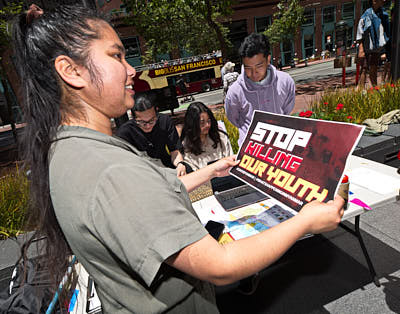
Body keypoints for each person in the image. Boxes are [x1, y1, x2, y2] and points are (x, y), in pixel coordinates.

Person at [13, 4, 344, 313]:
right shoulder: (111, 170)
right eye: (116, 56)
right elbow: (222, 265)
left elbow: (152, 192)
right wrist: (305, 221)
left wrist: (213, 168)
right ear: (71, 70)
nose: (131, 70)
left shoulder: (69, 149)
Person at [225, 33, 295, 147]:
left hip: (280, 145)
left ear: (268, 59)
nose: (254, 73)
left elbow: (287, 110)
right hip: (250, 149)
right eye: (248, 68)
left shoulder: (285, 81)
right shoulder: (235, 91)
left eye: (258, 66)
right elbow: (234, 118)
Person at [116, 94, 187, 176]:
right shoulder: (125, 132)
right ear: (133, 117)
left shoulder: (165, 121)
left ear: (156, 112)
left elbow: (175, 151)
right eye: (142, 122)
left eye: (152, 120)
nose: (148, 126)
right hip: (142, 172)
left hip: (166, 166)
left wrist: (180, 164)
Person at [181, 102, 233, 172]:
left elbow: (230, 159)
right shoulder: (186, 146)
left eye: (209, 121)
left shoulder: (220, 137)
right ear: (193, 124)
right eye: (202, 123)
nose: (207, 125)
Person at [356, 0, 390, 87]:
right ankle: (361, 90)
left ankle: (375, 88)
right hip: (367, 47)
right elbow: (360, 33)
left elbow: (384, 34)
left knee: (374, 68)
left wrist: (383, 50)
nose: (384, 1)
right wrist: (361, 49)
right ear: (374, 1)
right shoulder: (366, 16)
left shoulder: (384, 15)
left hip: (376, 47)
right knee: (364, 68)